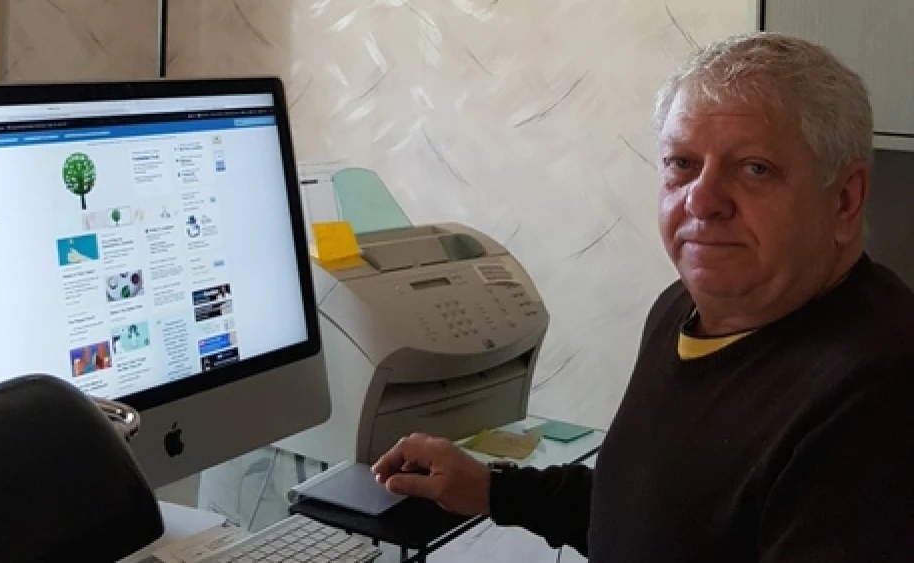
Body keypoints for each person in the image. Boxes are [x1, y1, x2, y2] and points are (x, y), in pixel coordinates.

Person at [371, 32, 914, 562]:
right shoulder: (681, 307)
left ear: (845, 200)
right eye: (682, 164)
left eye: (755, 169)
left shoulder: (876, 397)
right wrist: (493, 490)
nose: (702, 201)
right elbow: (652, 513)